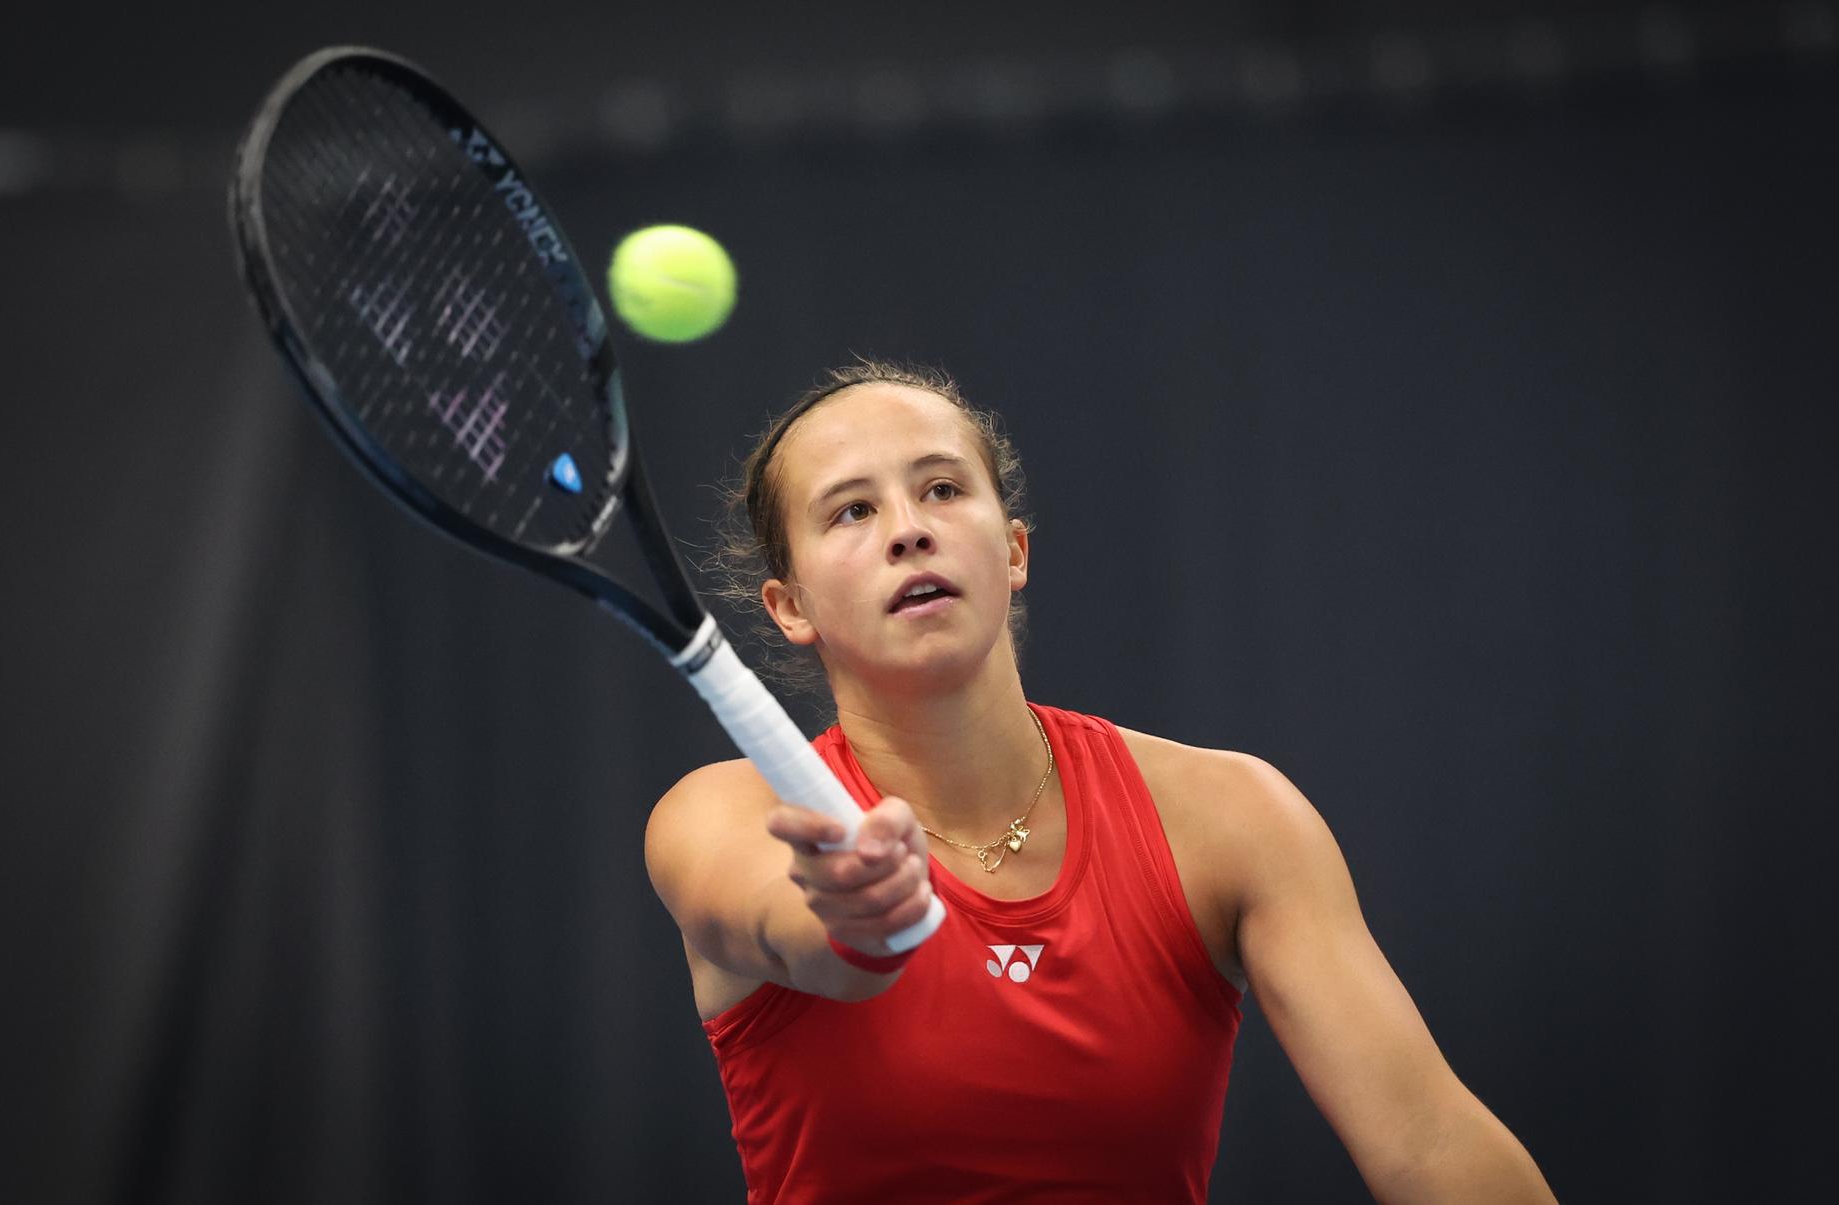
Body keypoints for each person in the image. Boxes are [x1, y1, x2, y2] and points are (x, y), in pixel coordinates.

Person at [645, 360, 1555, 1203]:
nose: (909, 528)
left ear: (1013, 551)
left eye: (942, 488)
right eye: (851, 511)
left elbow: (1428, 1141)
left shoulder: (1232, 815)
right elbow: (787, 929)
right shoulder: (724, 815)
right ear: (790, 606)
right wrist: (851, 920)